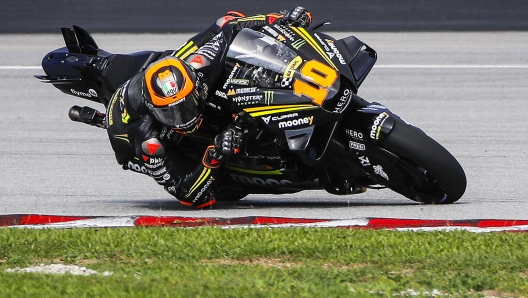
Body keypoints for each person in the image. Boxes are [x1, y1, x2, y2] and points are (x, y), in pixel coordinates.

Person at [106, 7, 313, 208]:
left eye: (185, 106)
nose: (181, 118)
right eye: (169, 113)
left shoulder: (200, 66)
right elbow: (185, 193)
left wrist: (281, 19)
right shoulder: (148, 138)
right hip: (127, 135)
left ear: (196, 87)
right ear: (154, 109)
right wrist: (214, 153)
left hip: (177, 64)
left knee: (226, 27)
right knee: (216, 193)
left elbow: (230, 26)